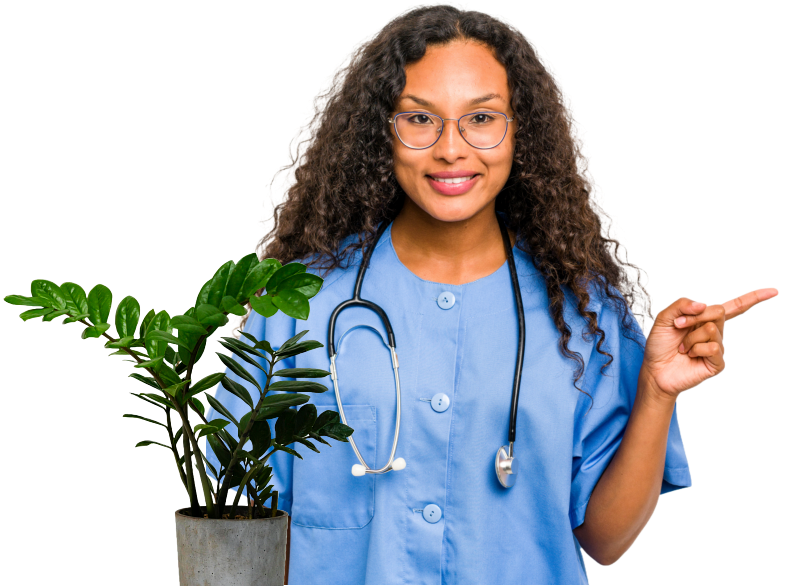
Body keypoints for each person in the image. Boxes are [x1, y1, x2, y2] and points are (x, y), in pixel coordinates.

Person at [206, 3, 779, 584]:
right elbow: (228, 535)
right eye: (419, 119)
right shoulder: (294, 306)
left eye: (481, 118)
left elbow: (606, 541)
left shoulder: (585, 313)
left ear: (520, 133)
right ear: (382, 132)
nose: (451, 148)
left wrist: (656, 392)